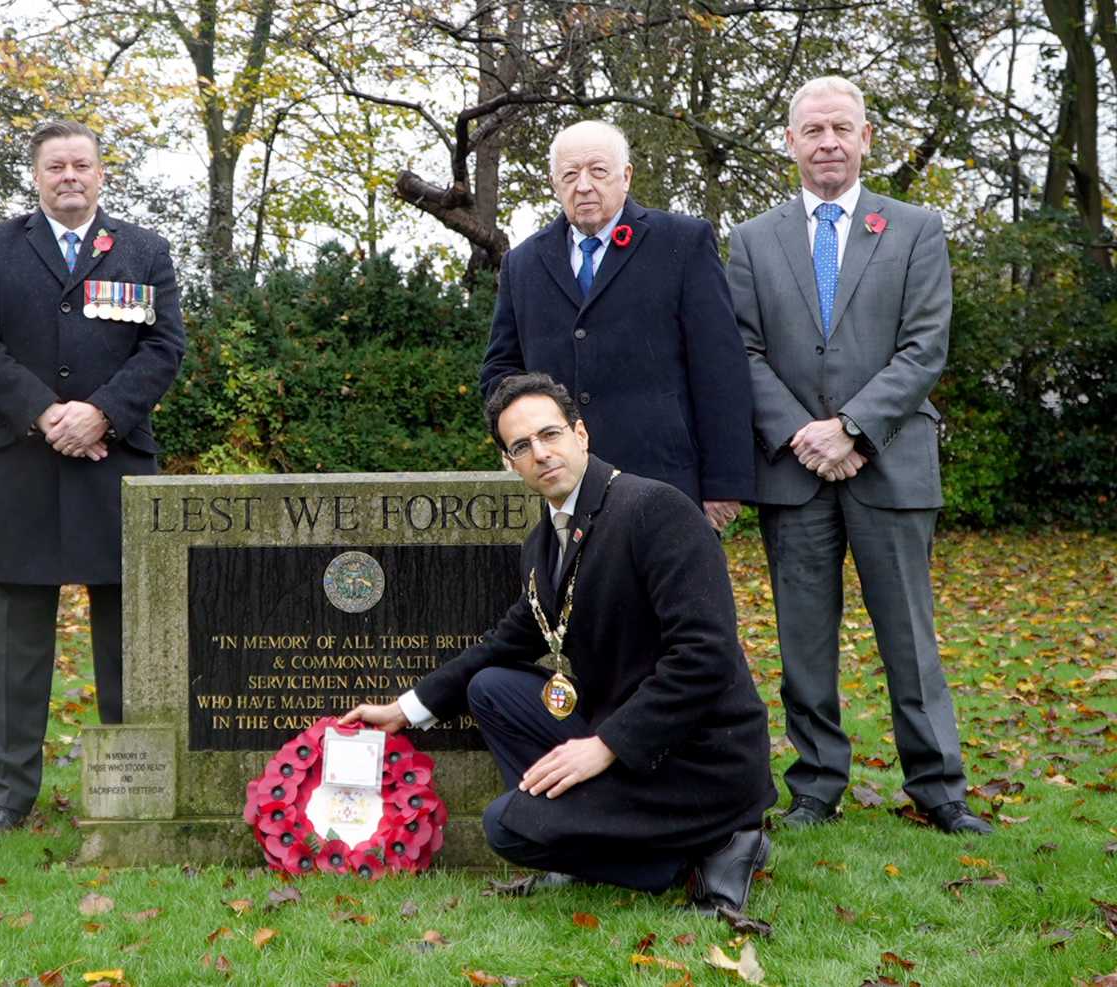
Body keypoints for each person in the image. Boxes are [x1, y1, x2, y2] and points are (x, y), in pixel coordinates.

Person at [342, 373, 776, 912]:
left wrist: (606, 745)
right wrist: (406, 710)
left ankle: (718, 843)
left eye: (551, 435)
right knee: (492, 687)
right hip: (622, 731)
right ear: (509, 462)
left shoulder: (655, 510)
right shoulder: (542, 543)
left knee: (508, 828)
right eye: (522, 446)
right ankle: (626, 848)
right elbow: (506, 641)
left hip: (697, 759)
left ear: (581, 433)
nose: (541, 454)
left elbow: (705, 657)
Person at [726, 76, 989, 834]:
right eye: (813, 129)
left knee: (910, 635)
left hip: (892, 464)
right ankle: (815, 785)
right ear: (791, 142)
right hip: (793, 472)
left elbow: (924, 347)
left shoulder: (914, 228)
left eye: (842, 127)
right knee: (803, 642)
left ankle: (939, 788)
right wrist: (804, 434)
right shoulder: (750, 239)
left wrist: (851, 427)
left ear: (867, 138)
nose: (829, 141)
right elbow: (740, 352)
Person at [0, 120, 185, 833]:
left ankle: (128, 790)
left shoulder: (144, 250)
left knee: (125, 643)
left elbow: (164, 345)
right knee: (18, 648)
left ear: (101, 173)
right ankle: (8, 794)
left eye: (81, 164)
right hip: (21, 468)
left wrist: (101, 414)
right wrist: (46, 414)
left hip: (113, 469)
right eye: (55, 166)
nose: (69, 176)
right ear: (36, 176)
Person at [480, 120, 753, 530]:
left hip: (669, 484)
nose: (584, 185)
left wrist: (724, 482)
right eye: (570, 175)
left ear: (625, 176)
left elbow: (721, 368)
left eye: (598, 171)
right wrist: (524, 443)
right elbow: (500, 372)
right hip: (564, 491)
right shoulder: (522, 264)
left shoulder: (683, 242)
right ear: (554, 183)